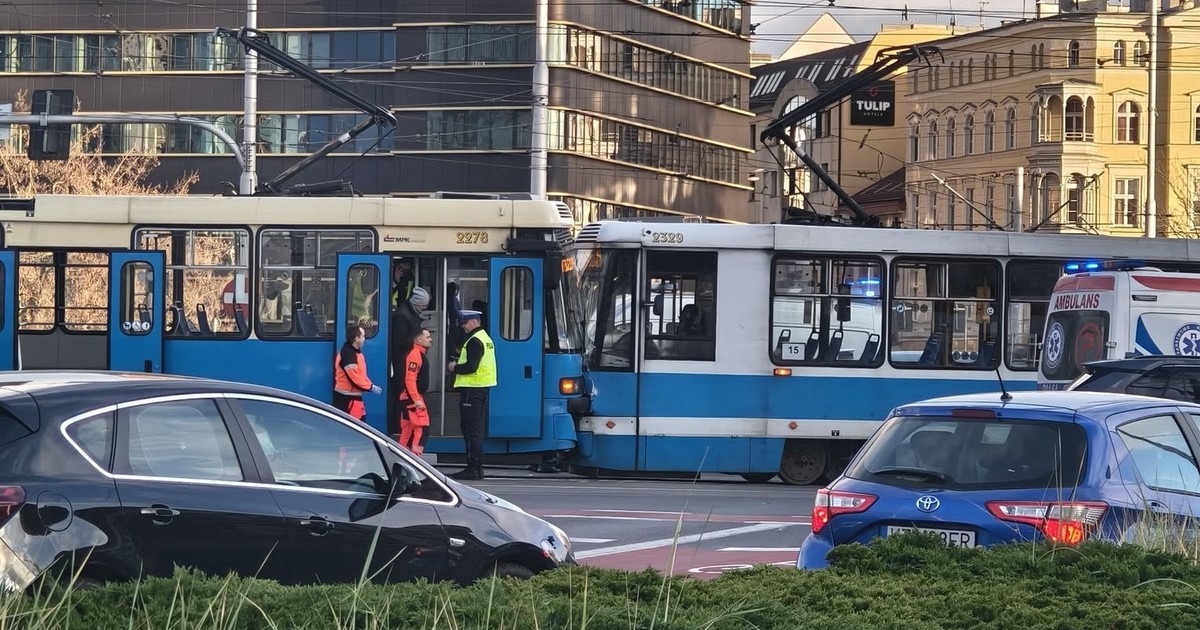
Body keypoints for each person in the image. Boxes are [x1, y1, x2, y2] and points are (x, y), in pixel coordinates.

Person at [448, 309, 496, 481]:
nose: (463, 326)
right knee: (474, 430)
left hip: (471, 389)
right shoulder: (486, 339)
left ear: (474, 322)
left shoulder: (475, 340)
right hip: (480, 389)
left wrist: (454, 368)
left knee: (470, 431)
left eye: (465, 323)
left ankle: (473, 468)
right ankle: (477, 468)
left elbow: (471, 367)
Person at [389, 286, 430, 434]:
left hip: (406, 359)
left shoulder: (409, 312)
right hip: (402, 362)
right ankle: (399, 427)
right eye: (423, 306)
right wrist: (418, 341)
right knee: (402, 393)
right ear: (416, 303)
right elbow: (399, 341)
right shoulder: (402, 316)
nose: (424, 308)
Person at [333, 323, 382, 421]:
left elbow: (361, 375)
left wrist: (369, 384)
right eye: (363, 336)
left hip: (351, 398)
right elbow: (354, 377)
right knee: (354, 428)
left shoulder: (353, 352)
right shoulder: (349, 354)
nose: (365, 339)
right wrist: (370, 387)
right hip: (347, 398)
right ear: (357, 338)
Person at [399, 327, 433, 455]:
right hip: (412, 399)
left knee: (408, 431)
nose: (431, 339)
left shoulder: (418, 354)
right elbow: (410, 379)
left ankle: (403, 458)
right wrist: (416, 399)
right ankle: (414, 459)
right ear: (419, 339)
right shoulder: (415, 354)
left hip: (409, 398)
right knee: (422, 428)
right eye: (428, 337)